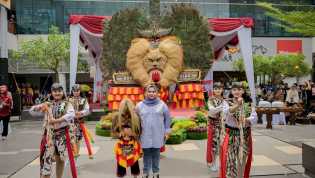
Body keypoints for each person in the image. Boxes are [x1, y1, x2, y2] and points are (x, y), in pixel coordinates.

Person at [29, 83, 77, 178]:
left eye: (59, 91)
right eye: (55, 91)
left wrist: (57, 120)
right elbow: (32, 112)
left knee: (61, 159)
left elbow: (71, 114)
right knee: (46, 159)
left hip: (62, 136)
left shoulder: (67, 104)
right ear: (51, 92)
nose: (57, 93)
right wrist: (39, 107)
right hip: (49, 137)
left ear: (63, 92)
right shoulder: (48, 104)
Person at [220, 82, 257, 178]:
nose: (237, 91)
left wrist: (246, 120)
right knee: (230, 160)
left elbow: (254, 117)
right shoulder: (226, 102)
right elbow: (226, 112)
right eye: (234, 89)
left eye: (239, 89)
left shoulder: (249, 103)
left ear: (243, 91)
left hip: (244, 135)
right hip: (231, 135)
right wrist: (238, 105)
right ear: (231, 91)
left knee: (242, 160)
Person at [135, 84, 171, 178]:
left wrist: (167, 132)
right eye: (149, 91)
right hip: (144, 135)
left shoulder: (162, 105)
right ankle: (145, 173)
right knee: (146, 155)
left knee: (156, 154)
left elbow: (167, 119)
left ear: (157, 93)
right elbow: (135, 120)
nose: (151, 93)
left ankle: (156, 173)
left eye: (154, 91)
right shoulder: (139, 106)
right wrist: (135, 133)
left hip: (158, 134)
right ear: (145, 93)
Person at [206, 82, 227, 171]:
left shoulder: (224, 100)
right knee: (213, 145)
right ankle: (213, 162)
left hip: (222, 126)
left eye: (219, 88)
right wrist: (222, 107)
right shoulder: (210, 100)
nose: (217, 90)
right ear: (213, 90)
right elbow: (212, 110)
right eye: (215, 88)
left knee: (221, 145)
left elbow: (226, 112)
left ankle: (219, 162)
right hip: (213, 126)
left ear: (222, 90)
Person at [68, 84, 92, 159]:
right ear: (72, 91)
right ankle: (73, 153)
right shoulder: (68, 100)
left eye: (77, 91)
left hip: (79, 122)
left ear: (80, 91)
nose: (76, 92)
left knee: (78, 138)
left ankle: (76, 153)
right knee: (71, 138)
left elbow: (87, 110)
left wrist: (81, 113)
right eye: (74, 91)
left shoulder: (83, 100)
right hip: (70, 122)